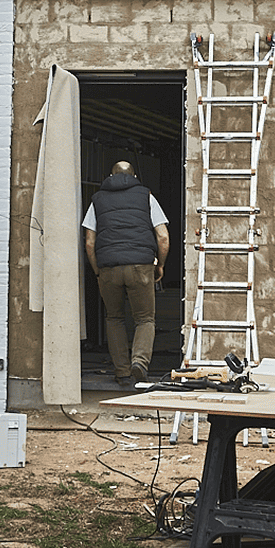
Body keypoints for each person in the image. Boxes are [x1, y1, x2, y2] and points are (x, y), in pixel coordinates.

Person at [82, 161, 171, 383]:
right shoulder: (146, 196)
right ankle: (139, 362)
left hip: (109, 267)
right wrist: (160, 265)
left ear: (110, 176)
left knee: (114, 318)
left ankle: (122, 371)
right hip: (141, 266)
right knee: (145, 319)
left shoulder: (97, 200)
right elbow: (163, 236)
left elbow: (90, 242)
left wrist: (98, 270)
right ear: (134, 177)